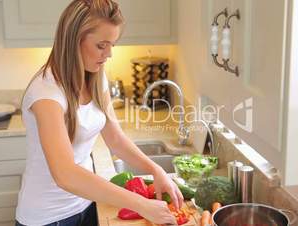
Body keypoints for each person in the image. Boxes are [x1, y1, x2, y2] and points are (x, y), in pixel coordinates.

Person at [15, 0, 183, 225]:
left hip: (88, 204)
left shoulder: (94, 76)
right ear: (74, 40)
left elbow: (115, 139)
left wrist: (155, 169)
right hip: (48, 217)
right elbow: (65, 174)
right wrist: (141, 204)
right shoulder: (46, 93)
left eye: (112, 44)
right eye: (102, 45)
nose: (109, 54)